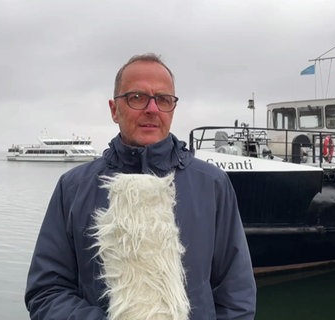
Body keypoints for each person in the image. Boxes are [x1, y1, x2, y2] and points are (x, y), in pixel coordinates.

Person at [25, 53, 256, 319]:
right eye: (137, 97)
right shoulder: (74, 187)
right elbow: (46, 291)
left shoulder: (213, 184)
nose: (152, 109)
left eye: (163, 99)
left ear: (172, 109)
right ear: (114, 109)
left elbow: (237, 294)